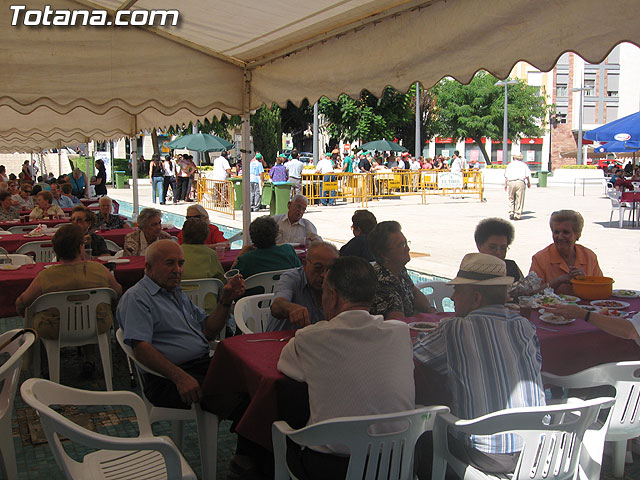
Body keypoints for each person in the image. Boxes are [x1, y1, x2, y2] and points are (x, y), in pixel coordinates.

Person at [277, 256, 415, 480]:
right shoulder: (400, 333)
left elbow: (286, 365)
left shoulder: (310, 338)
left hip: (332, 469)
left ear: (332, 296)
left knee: (287, 415)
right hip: (395, 464)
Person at [413, 253, 545, 478]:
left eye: (458, 291)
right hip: (537, 448)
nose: (453, 298)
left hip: (488, 454)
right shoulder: (524, 326)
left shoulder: (455, 329)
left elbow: (415, 355)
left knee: (422, 433)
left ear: (476, 299)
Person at [117, 239, 245, 409]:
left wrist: (225, 302)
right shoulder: (137, 298)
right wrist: (180, 377)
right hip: (165, 379)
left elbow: (208, 331)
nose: (177, 270)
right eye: (169, 263)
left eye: (180, 263)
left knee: (251, 378)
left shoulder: (175, 293)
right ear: (148, 268)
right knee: (241, 396)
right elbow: (141, 348)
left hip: (199, 365)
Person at [16, 224, 122, 341]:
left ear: (55, 250)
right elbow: (117, 291)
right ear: (81, 248)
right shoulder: (100, 270)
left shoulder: (46, 276)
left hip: (55, 329)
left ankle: (37, 356)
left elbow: (22, 302)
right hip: (98, 324)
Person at [369, 221, 435, 319]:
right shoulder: (382, 284)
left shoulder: (399, 270)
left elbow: (414, 292)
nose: (408, 248)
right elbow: (397, 324)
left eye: (406, 243)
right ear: (383, 255)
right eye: (401, 245)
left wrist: (431, 311)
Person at [268, 241, 338, 331]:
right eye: (318, 268)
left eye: (329, 269)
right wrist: (291, 308)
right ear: (304, 264)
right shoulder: (291, 278)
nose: (324, 275)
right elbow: (277, 305)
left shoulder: (336, 282)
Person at [530, 210, 602, 295]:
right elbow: (531, 294)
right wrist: (558, 281)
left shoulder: (589, 256)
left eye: (566, 232)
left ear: (577, 234)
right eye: (556, 232)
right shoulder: (540, 258)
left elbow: (601, 289)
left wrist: (585, 281)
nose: (560, 237)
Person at [233, 216, 302, 279]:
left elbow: (230, 278)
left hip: (257, 293)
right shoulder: (288, 250)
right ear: (276, 235)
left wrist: (242, 252)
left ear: (252, 237)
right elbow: (301, 274)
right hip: (286, 292)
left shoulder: (245, 260)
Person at [181, 218, 226, 313]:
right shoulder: (210, 255)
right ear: (206, 236)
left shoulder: (176, 253)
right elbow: (222, 281)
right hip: (207, 308)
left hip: (179, 308)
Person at [504, 153, 531, 220]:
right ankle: (517, 214)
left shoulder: (510, 165)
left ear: (513, 158)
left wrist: (505, 184)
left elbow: (506, 176)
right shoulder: (524, 165)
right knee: (520, 198)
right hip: (520, 182)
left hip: (511, 182)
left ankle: (511, 212)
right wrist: (528, 183)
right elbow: (527, 175)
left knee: (511, 197)